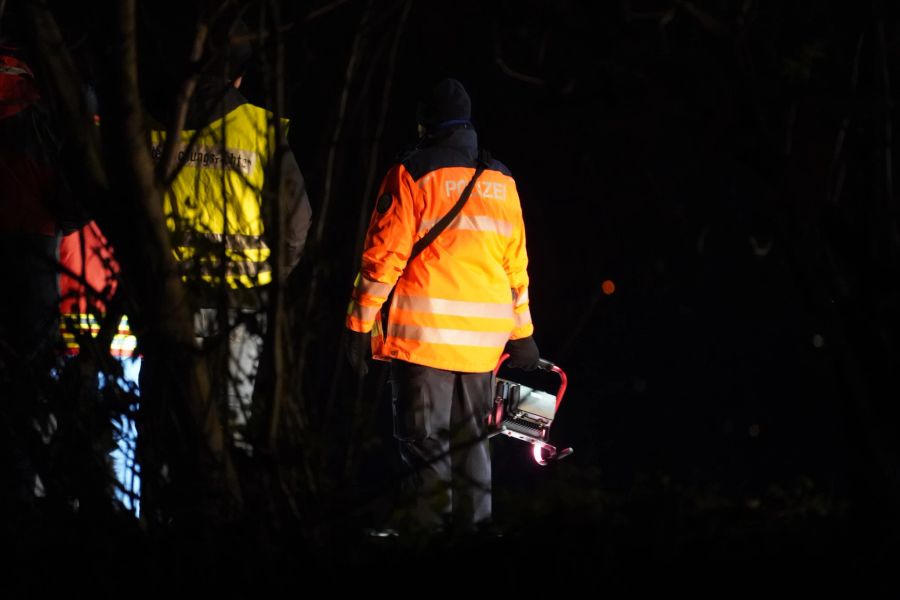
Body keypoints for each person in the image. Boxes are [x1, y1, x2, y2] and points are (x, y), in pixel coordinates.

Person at [344, 78, 540, 534]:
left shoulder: (411, 172)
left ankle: (426, 550)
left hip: (422, 342)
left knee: (426, 448)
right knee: (473, 450)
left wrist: (358, 324)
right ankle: (476, 548)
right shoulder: (503, 180)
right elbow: (517, 269)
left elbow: (382, 260)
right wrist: (524, 334)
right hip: (481, 350)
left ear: (423, 123)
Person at [147, 19, 312, 448]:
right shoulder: (261, 131)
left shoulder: (149, 127)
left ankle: (158, 514)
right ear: (238, 76)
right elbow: (297, 221)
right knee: (227, 434)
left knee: (165, 427)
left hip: (169, 300)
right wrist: (275, 276)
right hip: (239, 305)